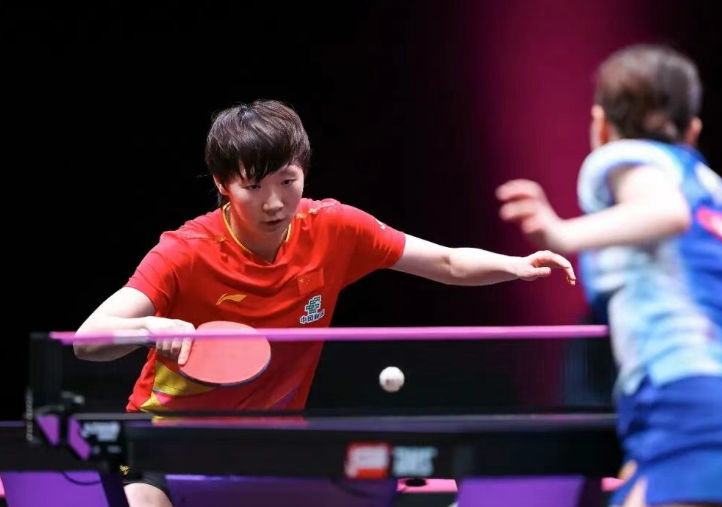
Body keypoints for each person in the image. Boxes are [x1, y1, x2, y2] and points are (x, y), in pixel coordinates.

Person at [73, 99, 576, 507]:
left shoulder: (334, 229)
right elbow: (87, 341)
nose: (274, 203)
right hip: (166, 443)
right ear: (223, 185)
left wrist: (515, 265)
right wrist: (150, 328)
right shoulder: (185, 251)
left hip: (271, 447)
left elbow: (445, 262)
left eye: (287, 181)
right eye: (253, 186)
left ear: (304, 172)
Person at [496, 44, 722, 507]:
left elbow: (666, 212)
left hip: (691, 400)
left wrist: (559, 233)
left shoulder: (628, 157)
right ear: (692, 131)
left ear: (601, 125)